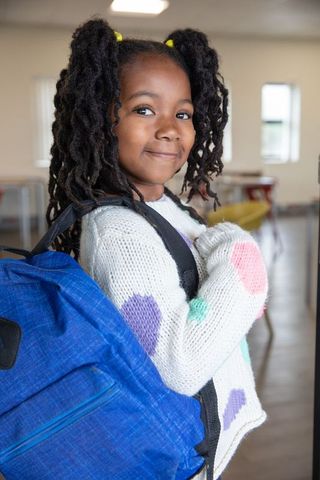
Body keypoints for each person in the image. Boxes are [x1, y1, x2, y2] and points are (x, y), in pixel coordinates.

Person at [47, 18, 268, 480]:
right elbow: (181, 363)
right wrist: (242, 258)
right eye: (144, 110)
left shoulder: (167, 205)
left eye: (183, 114)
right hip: (172, 450)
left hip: (197, 436)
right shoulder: (120, 232)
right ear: (101, 117)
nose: (170, 129)